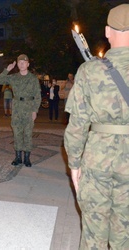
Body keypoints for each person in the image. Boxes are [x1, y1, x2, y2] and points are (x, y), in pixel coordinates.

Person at [64, 4, 129, 249]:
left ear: (108, 32)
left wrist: (74, 164)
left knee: (94, 233)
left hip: (97, 161)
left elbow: (77, 125)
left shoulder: (89, 71)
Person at [0, 54, 41, 167]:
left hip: (29, 108)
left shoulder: (33, 78)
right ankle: (17, 157)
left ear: (28, 64)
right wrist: (7, 69)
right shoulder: (14, 77)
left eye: (24, 62)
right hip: (16, 109)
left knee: (28, 133)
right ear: (17, 64)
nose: (22, 64)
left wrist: (35, 110)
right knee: (17, 133)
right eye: (19, 62)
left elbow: (37, 96)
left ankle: (27, 158)